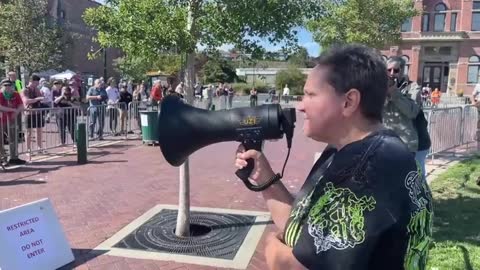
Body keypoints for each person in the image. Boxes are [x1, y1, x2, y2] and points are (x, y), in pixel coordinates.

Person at [234, 45, 433, 270]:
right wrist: (265, 178)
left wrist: (271, 248)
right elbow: (307, 233)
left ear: (349, 101)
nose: (300, 106)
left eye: (310, 94)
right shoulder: (351, 150)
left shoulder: (369, 170)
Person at [384, 56, 431, 180]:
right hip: (390, 143)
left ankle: (422, 199)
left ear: (403, 70)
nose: (392, 73)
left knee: (415, 179)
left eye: (396, 70)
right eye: (389, 70)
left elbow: (412, 111)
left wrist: (394, 92)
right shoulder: (381, 88)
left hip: (415, 143)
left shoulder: (413, 87)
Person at [0, 79, 26, 165]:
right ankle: (2, 158)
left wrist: (16, 112)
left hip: (12, 119)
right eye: (5, 85)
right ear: (2, 86)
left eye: (9, 85)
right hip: (1, 120)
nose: (7, 87)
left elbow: (21, 105)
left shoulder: (15, 94)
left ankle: (14, 157)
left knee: (14, 138)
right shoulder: (0, 94)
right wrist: (12, 110)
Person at [21, 75, 46, 154]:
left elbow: (42, 98)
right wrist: (37, 99)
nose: (37, 84)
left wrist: (41, 97)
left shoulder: (37, 89)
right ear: (31, 81)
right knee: (28, 132)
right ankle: (28, 149)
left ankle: (39, 147)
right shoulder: (25, 90)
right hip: (29, 113)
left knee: (39, 131)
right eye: (36, 82)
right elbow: (26, 101)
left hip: (38, 112)